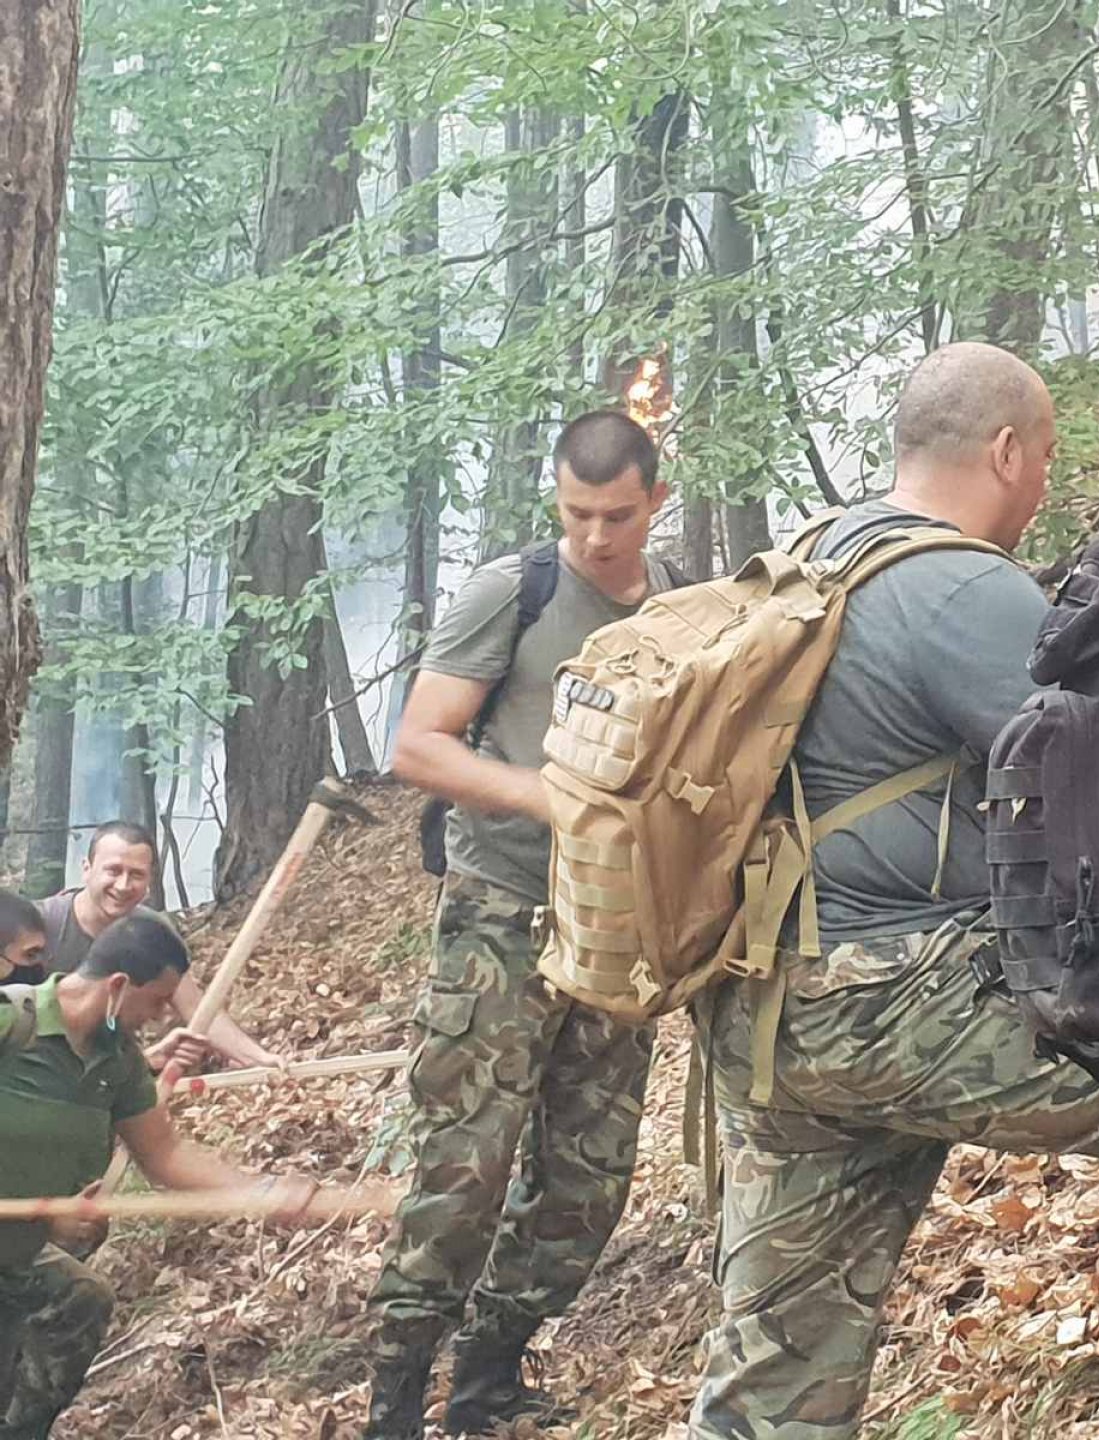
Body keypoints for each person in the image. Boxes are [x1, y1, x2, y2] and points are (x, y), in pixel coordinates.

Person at [683, 342, 1099, 1440]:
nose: (1046, 486)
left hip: (761, 1006)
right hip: (885, 998)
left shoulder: (809, 560)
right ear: (1006, 451)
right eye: (1046, 459)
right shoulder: (960, 583)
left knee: (777, 1362)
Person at [363, 409, 678, 1439]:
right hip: (501, 913)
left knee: (589, 1180)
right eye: (578, 512)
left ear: (654, 504)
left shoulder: (682, 603)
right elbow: (420, 745)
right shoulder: (516, 590)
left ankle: (491, 1369)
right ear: (557, 500)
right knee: (467, 1165)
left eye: (617, 515)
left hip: (619, 925)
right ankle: (398, 1395)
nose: (596, 535)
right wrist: (550, 796)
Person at [0, 910, 328, 1440]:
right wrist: (41, 1211)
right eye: (156, 1000)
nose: (158, 1018)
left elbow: (165, 1153)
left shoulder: (120, 1062)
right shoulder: (13, 1022)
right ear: (118, 985)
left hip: (17, 1254)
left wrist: (258, 1191)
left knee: (80, 1300)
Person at [31, 820, 281, 1074]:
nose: (123, 885)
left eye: (136, 874)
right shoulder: (39, 925)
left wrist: (258, 1057)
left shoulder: (152, 932)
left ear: (150, 880)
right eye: (113, 871)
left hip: (111, 1080)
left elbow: (197, 1008)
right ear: (87, 869)